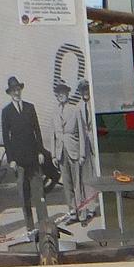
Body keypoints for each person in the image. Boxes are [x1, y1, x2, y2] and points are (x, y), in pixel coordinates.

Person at [0, 75, 47, 237]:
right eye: (13, 90)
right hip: (18, 161)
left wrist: (40, 151)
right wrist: (11, 159)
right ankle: (30, 227)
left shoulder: (30, 108)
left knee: (38, 192)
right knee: (24, 194)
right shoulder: (6, 112)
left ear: (21, 90)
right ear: (10, 93)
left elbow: (37, 131)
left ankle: (44, 224)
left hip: (33, 157)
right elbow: (6, 137)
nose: (16, 92)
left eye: (18, 89)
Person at [53, 79, 91, 223]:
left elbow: (81, 133)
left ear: (67, 93)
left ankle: (82, 212)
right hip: (61, 153)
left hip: (74, 151)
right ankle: (72, 212)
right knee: (67, 184)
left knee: (77, 183)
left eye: (63, 92)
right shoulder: (54, 112)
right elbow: (53, 135)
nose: (61, 95)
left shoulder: (75, 110)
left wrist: (82, 154)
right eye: (58, 93)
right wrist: (53, 155)